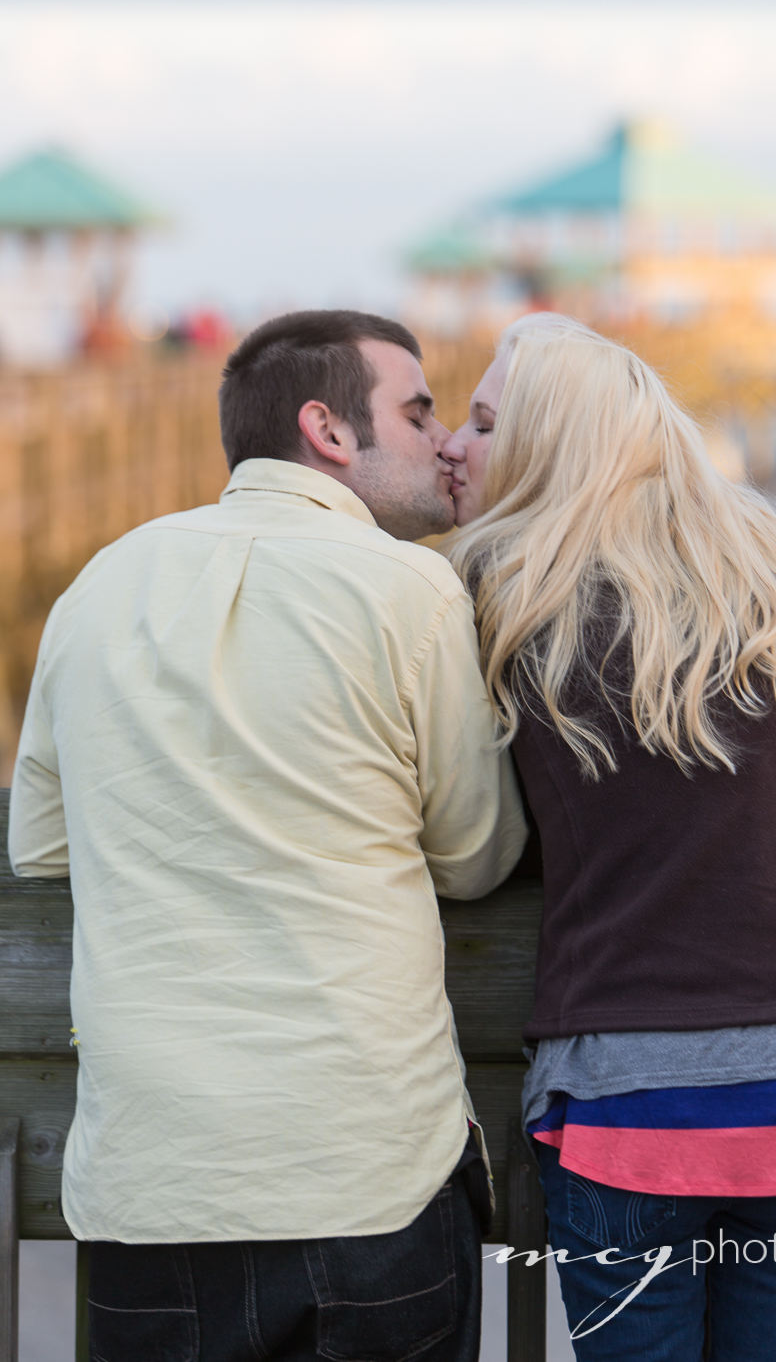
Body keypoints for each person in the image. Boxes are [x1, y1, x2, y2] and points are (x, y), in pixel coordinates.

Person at [8, 309, 527, 1362]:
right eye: (419, 411)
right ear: (328, 432)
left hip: (153, 1190)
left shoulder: (97, 585)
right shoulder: (410, 591)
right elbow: (476, 857)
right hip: (365, 1178)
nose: (441, 439)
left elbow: (43, 849)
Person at [442, 314, 776, 1362]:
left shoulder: (501, 596)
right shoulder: (765, 578)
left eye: (482, 422)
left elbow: (474, 821)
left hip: (627, 1098)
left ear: (545, 443)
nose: (455, 446)